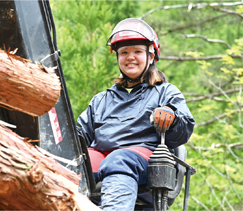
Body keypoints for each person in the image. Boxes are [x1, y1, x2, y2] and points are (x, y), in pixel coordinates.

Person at [76, 18, 195, 211]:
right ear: (117, 58)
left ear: (151, 56)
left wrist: (171, 117)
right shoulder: (101, 100)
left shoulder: (165, 92)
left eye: (137, 51)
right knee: (76, 163)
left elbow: (184, 130)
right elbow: (79, 135)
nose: (130, 57)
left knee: (119, 159)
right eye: (124, 52)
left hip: (145, 159)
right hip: (104, 157)